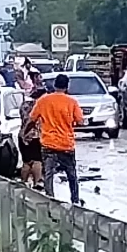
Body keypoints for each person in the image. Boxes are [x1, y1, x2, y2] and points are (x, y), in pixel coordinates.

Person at [30, 74, 84, 204]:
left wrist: (26, 132)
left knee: (48, 173)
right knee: (71, 175)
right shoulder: (72, 102)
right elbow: (80, 121)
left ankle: (50, 199)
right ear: (67, 86)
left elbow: (32, 119)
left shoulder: (43, 100)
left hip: (48, 144)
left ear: (54, 85)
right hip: (66, 145)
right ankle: (75, 201)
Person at [19, 85, 46, 190]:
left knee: (26, 162)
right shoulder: (41, 106)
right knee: (37, 161)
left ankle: (23, 183)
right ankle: (37, 183)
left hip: (23, 136)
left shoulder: (24, 105)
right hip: (36, 136)